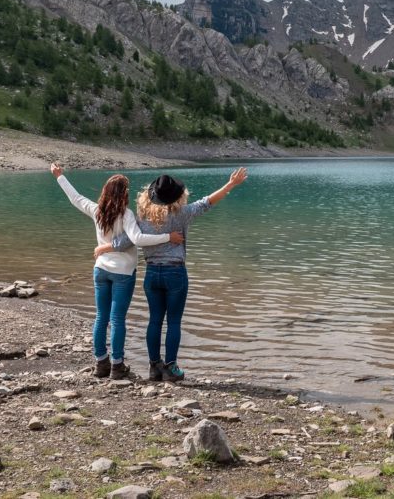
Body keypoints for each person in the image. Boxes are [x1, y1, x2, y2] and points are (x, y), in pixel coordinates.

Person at [95, 167, 248, 381]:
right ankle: (171, 368)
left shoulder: (142, 215)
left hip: (151, 275)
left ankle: (153, 367)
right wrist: (231, 184)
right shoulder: (182, 214)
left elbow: (128, 240)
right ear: (178, 195)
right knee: (174, 321)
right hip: (175, 272)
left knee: (154, 320)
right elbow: (208, 202)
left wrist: (105, 247)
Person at [51, 163, 183, 379]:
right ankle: (117, 365)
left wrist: (59, 177)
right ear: (124, 194)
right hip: (123, 273)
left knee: (101, 317)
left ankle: (100, 363)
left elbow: (75, 198)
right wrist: (169, 237)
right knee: (118, 319)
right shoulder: (127, 214)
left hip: (100, 270)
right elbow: (138, 239)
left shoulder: (97, 211)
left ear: (105, 191)